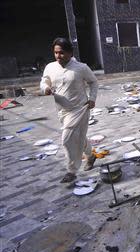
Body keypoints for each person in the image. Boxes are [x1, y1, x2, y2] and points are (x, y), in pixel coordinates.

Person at [40, 38, 98, 183]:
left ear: (70, 52)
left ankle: (71, 171)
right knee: (78, 137)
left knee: (67, 138)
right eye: (55, 53)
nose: (58, 56)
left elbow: (93, 81)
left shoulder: (81, 67)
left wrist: (92, 98)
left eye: (62, 53)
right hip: (62, 110)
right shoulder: (50, 67)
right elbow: (44, 81)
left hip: (80, 109)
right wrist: (45, 88)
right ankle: (91, 156)